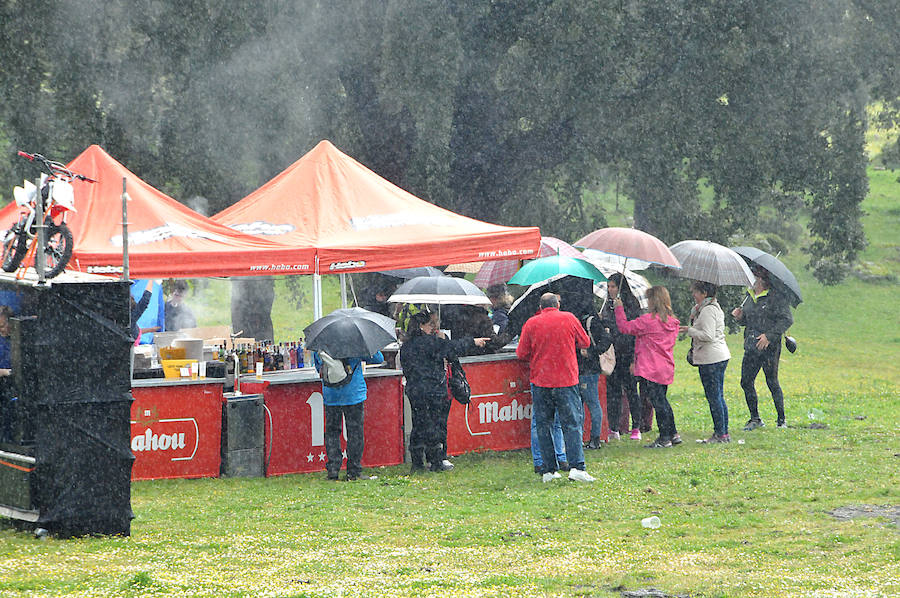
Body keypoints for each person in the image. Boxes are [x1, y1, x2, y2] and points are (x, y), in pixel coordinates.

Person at [517, 293, 595, 483]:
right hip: (566, 380)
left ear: (541, 306)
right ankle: (577, 466)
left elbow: (521, 353)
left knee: (544, 426)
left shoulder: (531, 323)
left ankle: (549, 470)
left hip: (541, 381)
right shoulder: (569, 318)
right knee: (572, 424)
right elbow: (585, 342)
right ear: (558, 304)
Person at [400, 310, 488, 473]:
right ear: (421, 326)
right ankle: (436, 461)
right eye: (429, 324)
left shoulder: (406, 346)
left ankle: (417, 462)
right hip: (433, 390)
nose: (432, 327)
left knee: (418, 425)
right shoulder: (430, 343)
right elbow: (452, 348)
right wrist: (473, 341)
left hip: (415, 390)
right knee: (435, 425)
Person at [615, 286, 681, 448]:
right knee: (662, 400)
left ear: (653, 301)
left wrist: (619, 309)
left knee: (658, 403)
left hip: (650, 367)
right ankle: (673, 433)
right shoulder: (672, 322)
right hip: (665, 366)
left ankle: (665, 437)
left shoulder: (648, 321)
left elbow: (625, 327)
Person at [732, 270, 793, 430]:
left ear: (761, 280)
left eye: (753, 278)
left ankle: (781, 420)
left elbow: (787, 319)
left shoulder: (775, 297)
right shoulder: (749, 297)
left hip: (769, 348)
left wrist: (769, 336)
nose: (750, 281)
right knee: (746, 381)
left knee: (771, 381)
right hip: (751, 346)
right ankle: (755, 418)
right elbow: (748, 321)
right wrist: (740, 318)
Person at [312, 350, 385, 481]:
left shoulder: (321, 344)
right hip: (353, 393)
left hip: (331, 394)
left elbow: (319, 367)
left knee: (332, 432)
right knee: (355, 432)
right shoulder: (355, 342)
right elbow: (378, 358)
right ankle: (353, 470)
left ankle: (333, 470)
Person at [680, 281, 731, 443]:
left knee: (714, 396)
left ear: (704, 293)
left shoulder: (708, 310)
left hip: (711, 358)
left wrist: (690, 330)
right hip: (717, 356)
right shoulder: (710, 308)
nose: (693, 295)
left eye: (695, 292)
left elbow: (708, 335)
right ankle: (723, 432)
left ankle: (720, 433)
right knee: (718, 396)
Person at [599, 273, 645, 441]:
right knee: (613, 392)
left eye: (613, 286)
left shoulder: (631, 303)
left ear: (620, 288)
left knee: (632, 390)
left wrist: (633, 359)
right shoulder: (607, 305)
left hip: (628, 352)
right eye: (608, 286)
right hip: (613, 353)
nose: (610, 290)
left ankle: (636, 427)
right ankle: (614, 427)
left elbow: (633, 331)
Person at [578, 309, 613, 449]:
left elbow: (606, 340)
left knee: (591, 403)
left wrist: (591, 352)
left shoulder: (590, 321)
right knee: (584, 404)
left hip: (588, 368)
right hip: (583, 368)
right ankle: (589, 438)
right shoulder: (587, 319)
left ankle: (594, 438)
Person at [0, 305, 16, 443]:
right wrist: (3, 372)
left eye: (3, 325)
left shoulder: (19, 339)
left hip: (15, 385)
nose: (1, 329)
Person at [130, 279, 154, 344]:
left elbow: (144, 301)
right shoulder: (130, 319)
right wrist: (151, 280)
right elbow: (144, 301)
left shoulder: (132, 320)